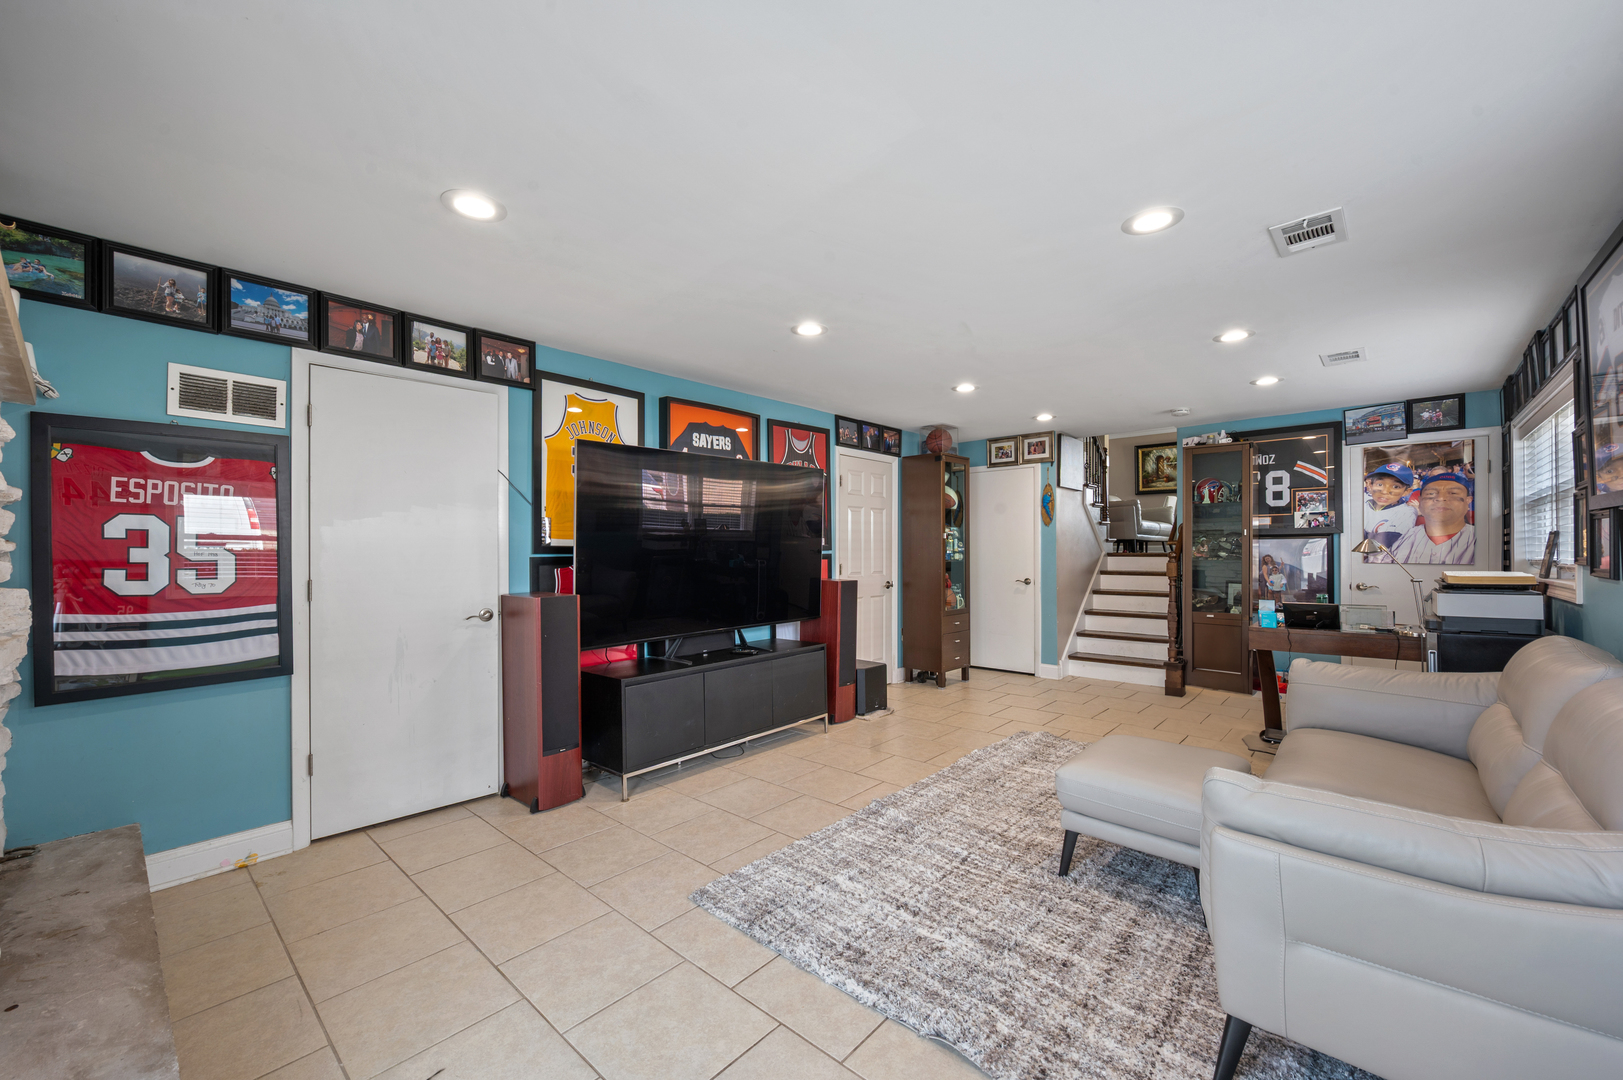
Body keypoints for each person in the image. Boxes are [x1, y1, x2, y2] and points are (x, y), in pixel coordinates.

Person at [1388, 472, 1475, 564]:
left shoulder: (1482, 540)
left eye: (1453, 493)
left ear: (1468, 501)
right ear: (1420, 502)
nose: (1440, 498)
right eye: (1431, 493)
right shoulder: (1408, 535)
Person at [1362, 461, 1416, 560]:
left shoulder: (1406, 513)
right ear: (1370, 486)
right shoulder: (1364, 503)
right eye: (1379, 484)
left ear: (1406, 491)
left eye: (1395, 486)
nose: (1385, 491)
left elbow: (1376, 550)